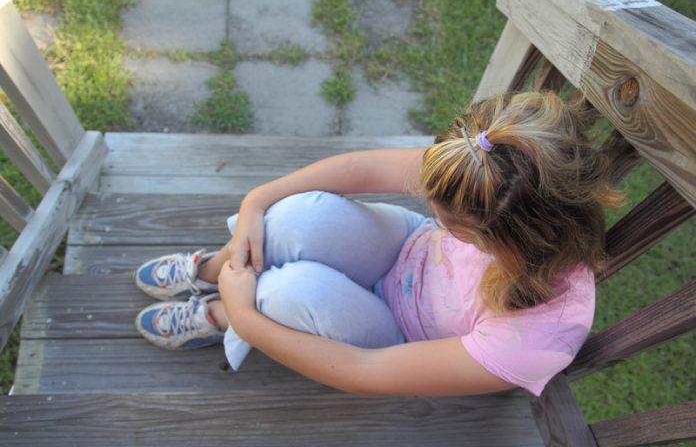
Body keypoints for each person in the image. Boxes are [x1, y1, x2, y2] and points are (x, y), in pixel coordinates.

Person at [134, 91, 623, 397]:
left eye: (451, 223)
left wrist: (249, 322)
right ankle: (219, 267)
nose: (436, 215)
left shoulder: (539, 334)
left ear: (506, 236)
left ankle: (225, 312)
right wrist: (256, 202)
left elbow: (365, 371)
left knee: (286, 294)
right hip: (403, 251)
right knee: (296, 217)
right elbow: (361, 170)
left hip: (404, 334)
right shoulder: (490, 167)